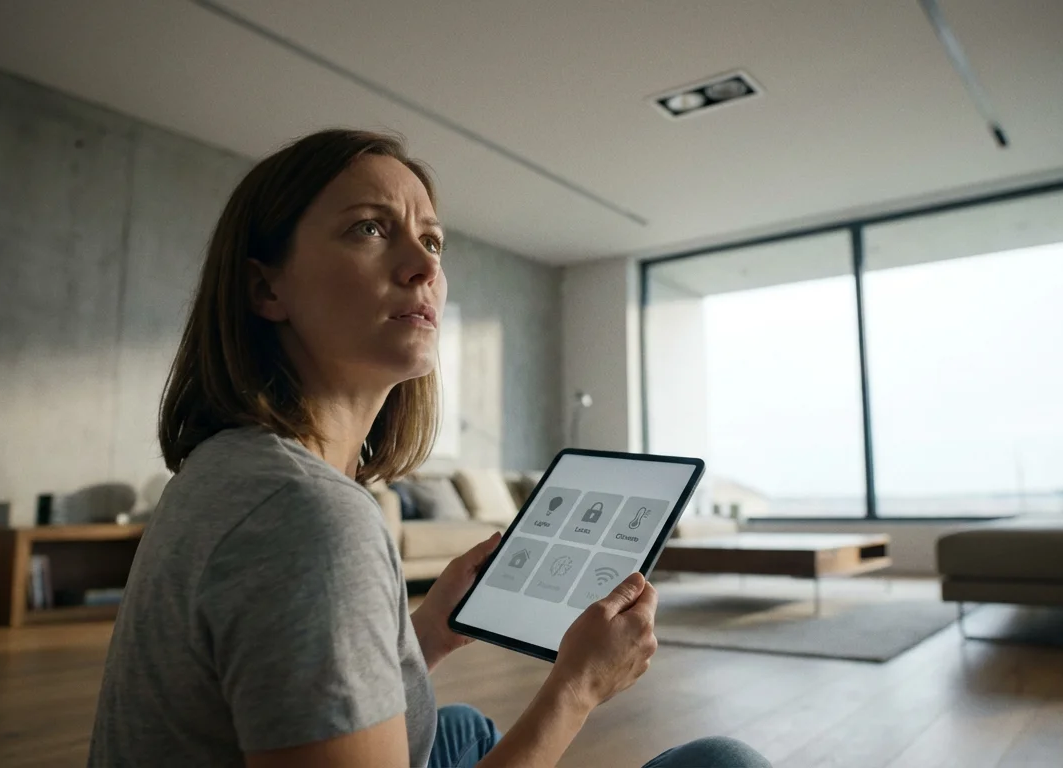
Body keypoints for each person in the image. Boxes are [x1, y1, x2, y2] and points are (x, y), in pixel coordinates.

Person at [87, 128, 769, 768]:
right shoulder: (309, 516)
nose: (423, 266)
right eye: (371, 229)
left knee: (462, 726)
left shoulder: (232, 463)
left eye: (434, 241)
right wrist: (578, 688)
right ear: (267, 287)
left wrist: (427, 634)